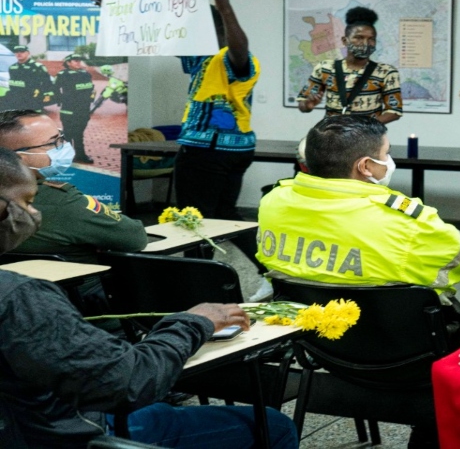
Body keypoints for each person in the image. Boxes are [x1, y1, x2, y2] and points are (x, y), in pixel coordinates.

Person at [0, 146, 298, 449]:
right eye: (26, 202)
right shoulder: (21, 299)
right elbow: (126, 383)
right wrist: (192, 324)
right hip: (64, 432)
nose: (34, 213)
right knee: (274, 426)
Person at [257, 115, 460, 294]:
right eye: (387, 153)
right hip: (391, 336)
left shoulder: (272, 201)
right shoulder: (405, 220)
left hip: (301, 331)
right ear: (365, 166)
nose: (390, 160)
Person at [172, 0, 266, 295]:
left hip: (210, 150)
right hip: (227, 149)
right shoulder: (202, 58)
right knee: (225, 215)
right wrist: (116, 9)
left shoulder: (233, 59)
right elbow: (157, 34)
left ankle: (197, 284)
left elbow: (239, 45)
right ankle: (270, 271)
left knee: (193, 219)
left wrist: (224, 6)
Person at [0, 110, 146, 261]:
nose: (62, 146)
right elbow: (135, 237)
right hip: (69, 283)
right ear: (17, 158)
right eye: (52, 143)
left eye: (61, 138)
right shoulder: (61, 201)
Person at [297, 6, 404, 123]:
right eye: (358, 37)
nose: (365, 43)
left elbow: (394, 111)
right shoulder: (324, 68)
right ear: (344, 40)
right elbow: (303, 105)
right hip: (331, 134)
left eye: (371, 39)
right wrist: (307, 105)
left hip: (368, 137)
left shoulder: (386, 72)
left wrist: (366, 128)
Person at [54, 54, 96, 163]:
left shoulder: (85, 74)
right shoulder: (63, 75)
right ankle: (68, 155)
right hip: (68, 110)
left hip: (83, 109)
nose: (78, 62)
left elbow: (91, 89)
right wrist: (62, 100)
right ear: (68, 63)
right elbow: (55, 89)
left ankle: (80, 155)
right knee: (68, 133)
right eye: (75, 61)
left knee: (79, 133)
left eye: (79, 60)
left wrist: (90, 100)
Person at [6, 45, 54, 112]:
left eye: (22, 51)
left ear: (28, 53)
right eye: (17, 52)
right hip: (17, 101)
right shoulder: (12, 68)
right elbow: (13, 84)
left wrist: (46, 96)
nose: (19, 54)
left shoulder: (37, 67)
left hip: (33, 100)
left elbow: (47, 84)